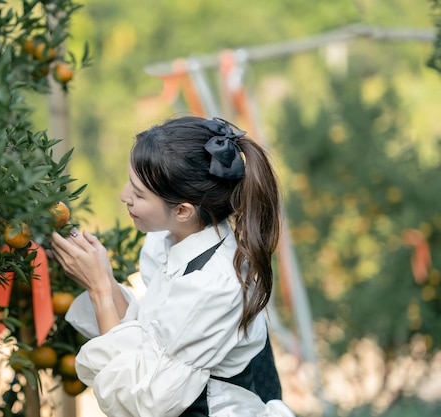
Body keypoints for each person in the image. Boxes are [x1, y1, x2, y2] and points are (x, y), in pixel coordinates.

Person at [50, 115, 296, 417]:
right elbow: (149, 336)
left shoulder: (215, 284)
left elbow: (140, 400)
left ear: (182, 210)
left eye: (138, 194)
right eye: (130, 182)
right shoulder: (170, 240)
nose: (124, 196)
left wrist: (100, 288)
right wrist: (96, 272)